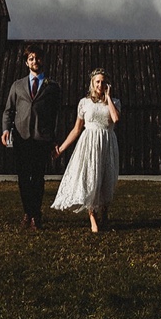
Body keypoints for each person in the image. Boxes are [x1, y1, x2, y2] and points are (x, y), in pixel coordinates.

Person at [51, 68, 120, 233]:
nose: (100, 85)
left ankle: (105, 215)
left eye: (103, 82)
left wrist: (108, 97)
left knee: (106, 180)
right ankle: (92, 218)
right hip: (89, 143)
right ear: (92, 83)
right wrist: (60, 149)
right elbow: (76, 129)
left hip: (107, 142)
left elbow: (116, 118)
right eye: (97, 81)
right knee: (91, 179)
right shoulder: (84, 103)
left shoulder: (114, 102)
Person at [1, 45, 61, 230]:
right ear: (27, 62)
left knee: (37, 178)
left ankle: (36, 215)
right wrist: (5, 129)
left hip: (42, 138)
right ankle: (28, 212)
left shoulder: (53, 87)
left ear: (42, 60)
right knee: (23, 178)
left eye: (38, 58)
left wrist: (53, 139)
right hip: (22, 137)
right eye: (31, 58)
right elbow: (9, 110)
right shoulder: (17, 85)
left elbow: (55, 115)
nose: (35, 61)